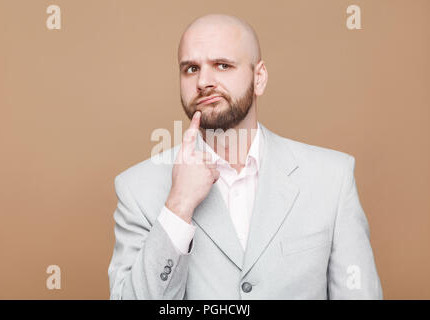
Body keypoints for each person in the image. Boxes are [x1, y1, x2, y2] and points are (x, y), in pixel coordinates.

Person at [107, 13, 382, 299]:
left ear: (259, 78)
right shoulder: (136, 189)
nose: (203, 81)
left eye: (222, 65)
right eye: (190, 69)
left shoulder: (332, 178)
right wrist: (178, 206)